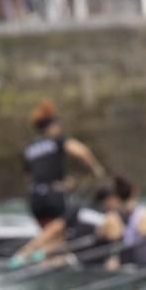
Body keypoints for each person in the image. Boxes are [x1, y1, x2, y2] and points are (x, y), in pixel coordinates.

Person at [21, 99, 106, 235]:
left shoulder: (29, 148)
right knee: (64, 232)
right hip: (54, 198)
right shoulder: (57, 140)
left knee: (48, 233)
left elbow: (29, 178)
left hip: (35, 200)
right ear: (52, 125)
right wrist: (96, 169)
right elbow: (81, 151)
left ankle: (44, 247)